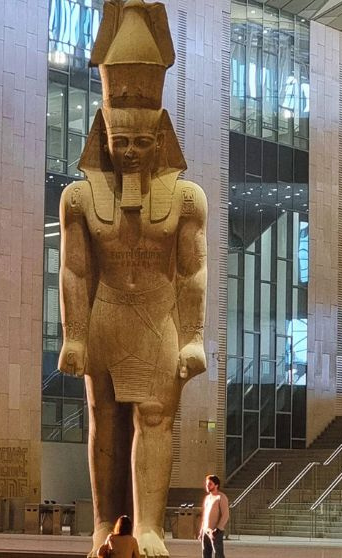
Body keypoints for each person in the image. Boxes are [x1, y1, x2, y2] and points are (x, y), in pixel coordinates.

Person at [56, 2, 208, 556]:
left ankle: (150, 526)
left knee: (155, 415)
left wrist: (193, 336)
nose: (130, 153)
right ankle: (103, 522)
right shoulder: (78, 197)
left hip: (160, 315)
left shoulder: (187, 199)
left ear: (161, 139)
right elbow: (73, 267)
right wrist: (72, 334)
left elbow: (193, 270)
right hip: (106, 312)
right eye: (121, 144)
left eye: (142, 144)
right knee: (104, 416)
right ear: (105, 135)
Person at [199, 475, 229, 558]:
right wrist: (202, 530)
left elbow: (225, 515)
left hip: (216, 532)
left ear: (216, 485)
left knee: (218, 554)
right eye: (206, 484)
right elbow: (204, 515)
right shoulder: (207, 498)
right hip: (206, 531)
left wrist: (218, 528)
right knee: (205, 554)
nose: (207, 486)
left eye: (210, 484)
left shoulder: (221, 497)